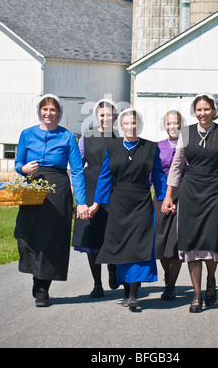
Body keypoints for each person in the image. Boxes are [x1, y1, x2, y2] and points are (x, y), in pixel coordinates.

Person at [162, 94, 218, 313]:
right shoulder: (185, 134)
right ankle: (196, 295)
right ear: (194, 111)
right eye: (199, 110)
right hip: (190, 191)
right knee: (190, 241)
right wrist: (169, 195)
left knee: (210, 241)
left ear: (214, 110)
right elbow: (177, 166)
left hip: (215, 190)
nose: (202, 113)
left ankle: (211, 279)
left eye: (206, 109)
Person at [87, 108, 167, 310]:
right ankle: (125, 291)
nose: (130, 127)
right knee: (122, 247)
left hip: (141, 203)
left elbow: (158, 175)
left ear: (138, 125)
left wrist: (165, 198)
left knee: (138, 248)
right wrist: (97, 203)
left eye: (134, 123)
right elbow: (105, 177)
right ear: (120, 126)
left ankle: (133, 295)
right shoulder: (112, 147)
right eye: (126, 123)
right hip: (118, 204)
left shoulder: (150, 147)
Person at [14, 94, 88, 307]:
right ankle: (36, 275)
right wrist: (23, 169)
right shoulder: (27, 134)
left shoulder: (67, 137)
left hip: (58, 190)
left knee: (51, 239)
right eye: (45, 109)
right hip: (32, 187)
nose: (48, 113)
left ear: (59, 113)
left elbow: (76, 170)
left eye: (53, 110)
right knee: (25, 235)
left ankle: (43, 288)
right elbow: (19, 162)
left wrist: (80, 201)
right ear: (39, 111)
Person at [72, 98, 119, 297]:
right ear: (97, 116)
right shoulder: (86, 137)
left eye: (109, 114)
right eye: (102, 114)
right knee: (92, 236)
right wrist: (77, 194)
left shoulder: (121, 137)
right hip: (91, 185)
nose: (106, 118)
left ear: (115, 117)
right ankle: (97, 284)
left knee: (113, 233)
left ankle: (113, 268)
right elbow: (77, 164)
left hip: (114, 187)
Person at [154, 110, 187, 301]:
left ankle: (170, 285)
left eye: (176, 123)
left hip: (183, 196)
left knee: (175, 242)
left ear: (182, 125)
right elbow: (150, 173)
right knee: (159, 243)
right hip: (160, 196)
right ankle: (168, 275)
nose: (172, 126)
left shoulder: (190, 146)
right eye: (169, 123)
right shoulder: (157, 147)